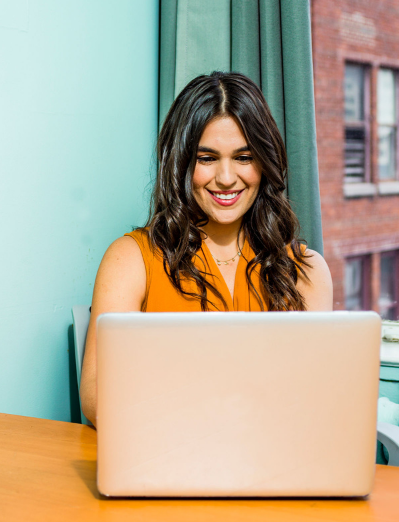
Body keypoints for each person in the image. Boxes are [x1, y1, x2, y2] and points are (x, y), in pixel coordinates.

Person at [80, 72, 333, 427]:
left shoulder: (307, 270)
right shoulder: (130, 260)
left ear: (264, 162)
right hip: (166, 458)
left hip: (274, 466)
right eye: (207, 158)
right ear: (182, 163)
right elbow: (97, 400)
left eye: (244, 157)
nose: (227, 178)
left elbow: (315, 400)